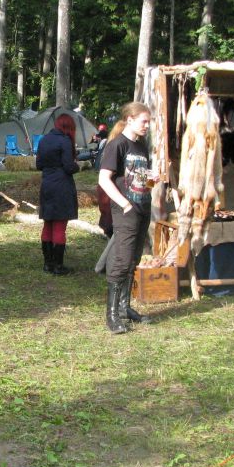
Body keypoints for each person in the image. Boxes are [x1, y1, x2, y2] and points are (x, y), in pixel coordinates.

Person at [98, 102, 156, 334]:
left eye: (149, 121)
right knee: (121, 261)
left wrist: (154, 179)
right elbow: (104, 179)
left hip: (143, 207)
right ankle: (111, 316)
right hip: (126, 210)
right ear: (130, 119)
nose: (147, 126)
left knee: (133, 259)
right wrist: (124, 204)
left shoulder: (140, 145)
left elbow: (140, 179)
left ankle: (125, 308)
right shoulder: (117, 145)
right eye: (144, 121)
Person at [37, 113, 80, 275]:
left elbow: (39, 164)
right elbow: (69, 167)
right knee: (60, 226)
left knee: (48, 223)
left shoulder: (43, 140)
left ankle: (48, 264)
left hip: (47, 184)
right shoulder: (65, 141)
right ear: (69, 127)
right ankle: (58, 266)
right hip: (62, 186)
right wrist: (79, 166)